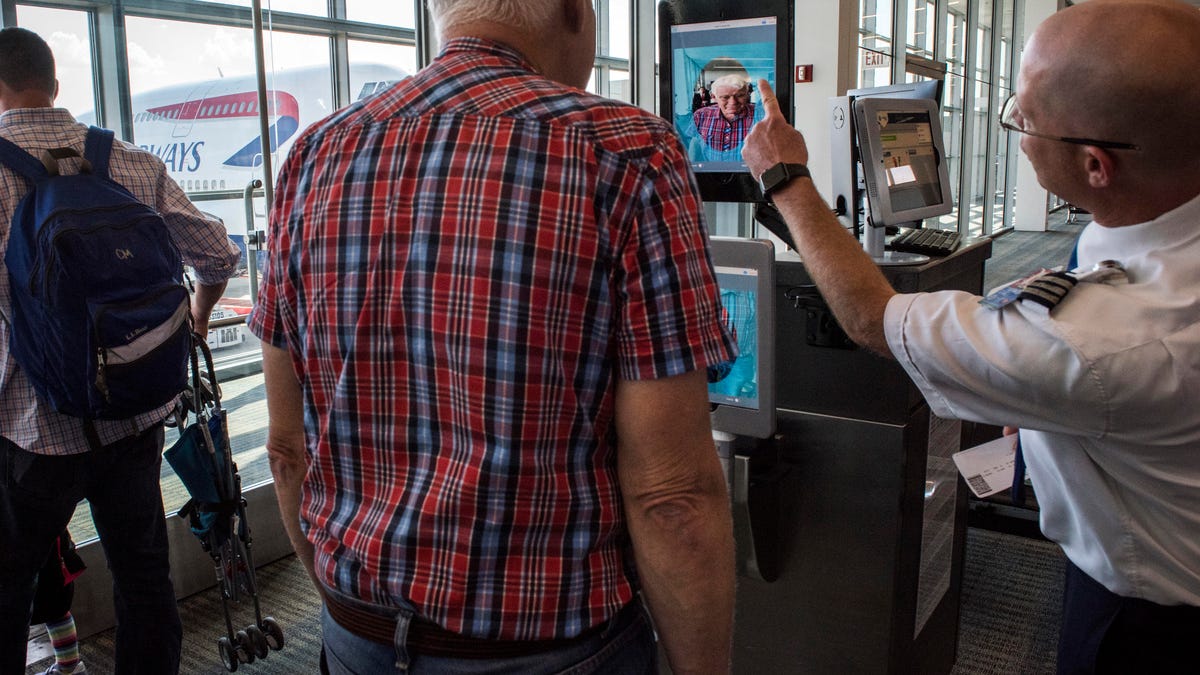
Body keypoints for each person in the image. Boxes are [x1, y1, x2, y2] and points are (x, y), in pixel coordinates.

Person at [249, 0, 738, 673]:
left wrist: (347, 607)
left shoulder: (312, 155)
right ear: (574, 10)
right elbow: (670, 495)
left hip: (352, 637)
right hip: (556, 654)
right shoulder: (628, 151)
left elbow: (285, 451)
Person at [740, 1, 1200, 673]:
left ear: (1098, 165)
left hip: (1146, 619)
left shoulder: (1099, 339)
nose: (1015, 130)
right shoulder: (1159, 227)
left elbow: (873, 318)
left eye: (1024, 119)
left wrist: (785, 177)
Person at [0, 26, 241, 675]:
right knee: (143, 578)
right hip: (132, 415)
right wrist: (198, 313)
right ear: (55, 87)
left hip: (32, 429)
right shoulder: (127, 160)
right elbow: (218, 254)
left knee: (10, 587)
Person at [31, 531, 87, 675]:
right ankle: (70, 668)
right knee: (56, 610)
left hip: (23, 547)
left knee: (12, 616)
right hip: (52, 548)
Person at [692, 74, 756, 152]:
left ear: (747, 95)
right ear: (714, 97)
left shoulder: (762, 115)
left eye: (739, 96)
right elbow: (693, 143)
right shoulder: (700, 115)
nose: (733, 102)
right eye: (725, 97)